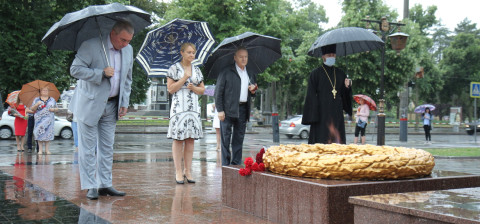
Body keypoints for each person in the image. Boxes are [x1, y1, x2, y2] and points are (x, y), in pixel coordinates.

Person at [69, 20, 134, 199]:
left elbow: (127, 79)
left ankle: (105, 184)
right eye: (122, 40)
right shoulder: (90, 45)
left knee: (107, 147)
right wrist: (100, 73)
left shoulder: (128, 50)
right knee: (88, 148)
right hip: (89, 104)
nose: (125, 44)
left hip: (112, 104)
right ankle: (90, 185)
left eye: (128, 41)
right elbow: (75, 70)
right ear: (113, 33)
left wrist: (124, 102)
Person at [167, 42, 205, 184]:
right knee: (178, 139)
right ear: (181, 53)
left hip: (193, 108)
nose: (191, 55)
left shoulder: (197, 70)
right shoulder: (173, 69)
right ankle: (178, 170)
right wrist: (184, 78)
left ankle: (187, 170)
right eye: (188, 52)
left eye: (193, 52)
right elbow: (170, 89)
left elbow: (203, 89)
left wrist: (193, 87)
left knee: (190, 139)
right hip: (179, 108)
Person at [215, 46, 258, 166]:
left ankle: (236, 164)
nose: (244, 59)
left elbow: (252, 92)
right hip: (227, 109)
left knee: (239, 138)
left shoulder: (250, 72)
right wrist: (220, 110)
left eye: (246, 57)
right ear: (235, 58)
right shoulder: (226, 71)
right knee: (225, 138)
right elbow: (218, 92)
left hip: (243, 109)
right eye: (241, 57)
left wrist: (253, 91)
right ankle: (225, 164)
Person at [301, 44, 352, 144]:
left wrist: (347, 87)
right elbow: (311, 95)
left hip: (336, 113)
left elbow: (345, 96)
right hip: (321, 114)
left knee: (337, 142)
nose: (331, 57)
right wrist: (313, 115)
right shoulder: (315, 74)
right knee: (321, 141)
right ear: (323, 56)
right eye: (329, 55)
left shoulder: (341, 73)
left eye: (333, 55)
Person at [30, 86, 58, 155]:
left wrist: (53, 109)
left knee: (48, 133)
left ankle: (47, 150)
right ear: (40, 92)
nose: (45, 92)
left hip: (49, 119)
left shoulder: (52, 100)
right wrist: (37, 104)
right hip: (39, 120)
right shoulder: (36, 99)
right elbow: (32, 109)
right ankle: (40, 150)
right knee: (39, 133)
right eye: (43, 90)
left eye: (46, 90)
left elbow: (57, 108)